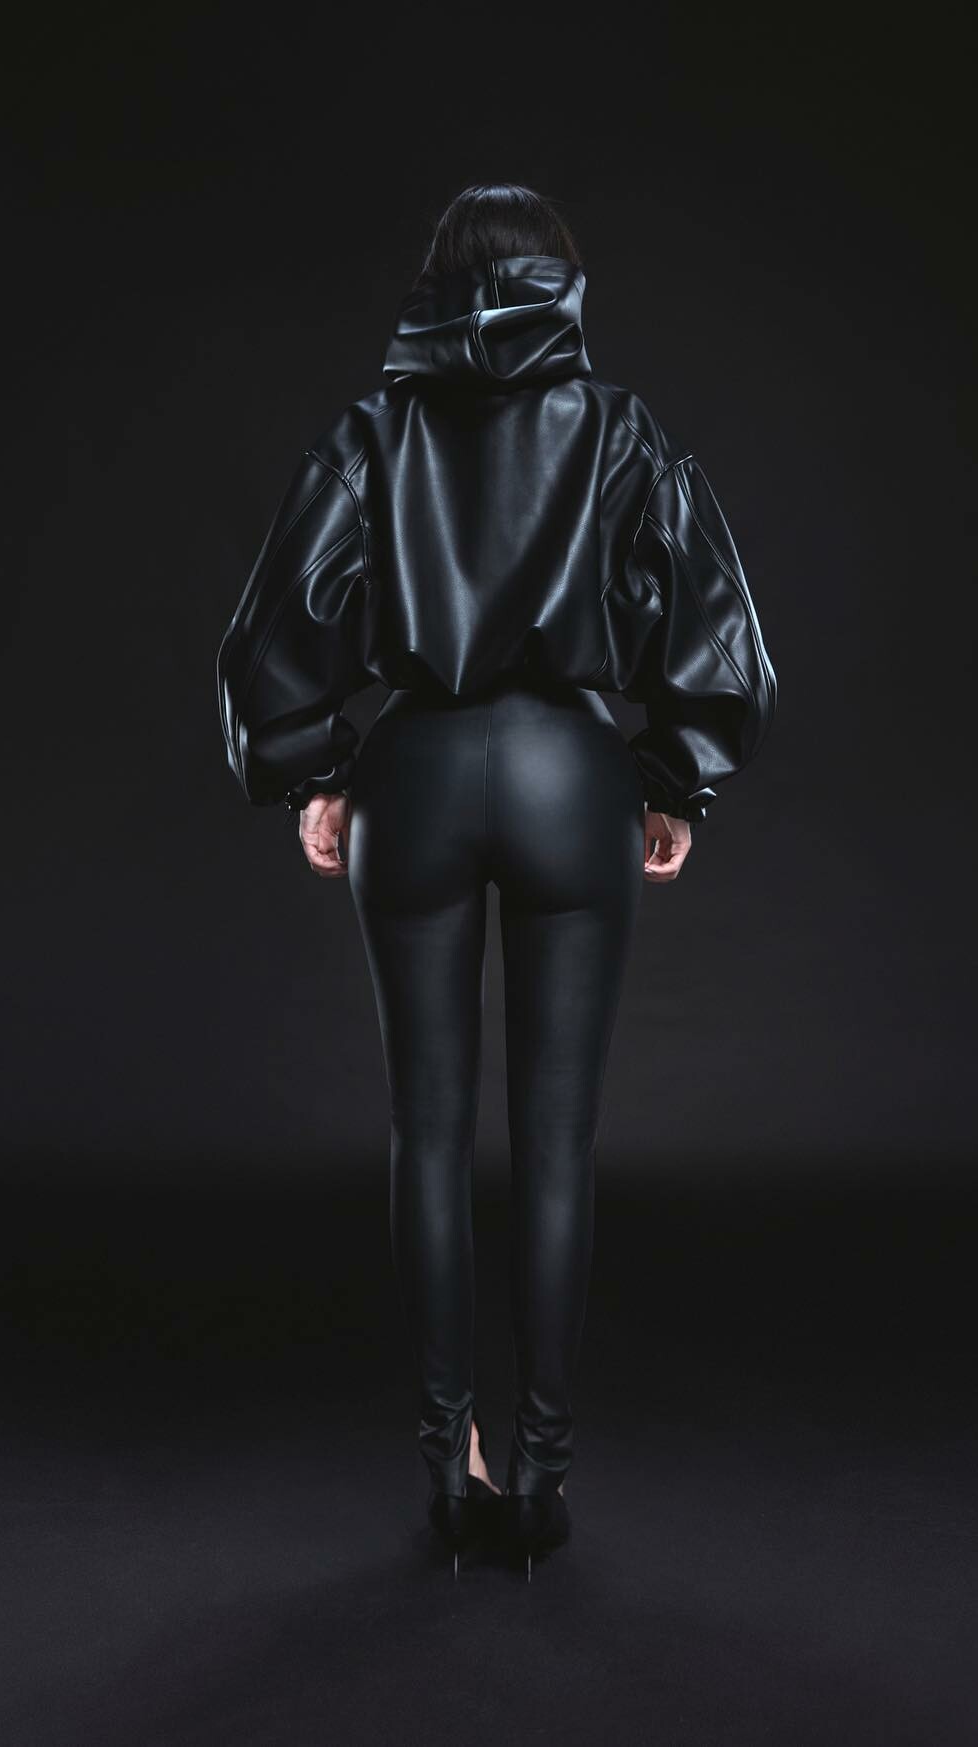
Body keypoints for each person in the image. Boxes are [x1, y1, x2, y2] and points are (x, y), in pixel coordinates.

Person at [216, 183, 777, 1576]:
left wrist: (315, 773)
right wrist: (675, 779)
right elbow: (715, 621)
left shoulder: (375, 429)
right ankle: (542, 1473)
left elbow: (274, 632)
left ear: (436, 287)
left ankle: (447, 1463)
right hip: (572, 777)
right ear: (560, 283)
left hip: (411, 773)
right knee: (557, 1142)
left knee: (427, 1131)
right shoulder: (619, 428)